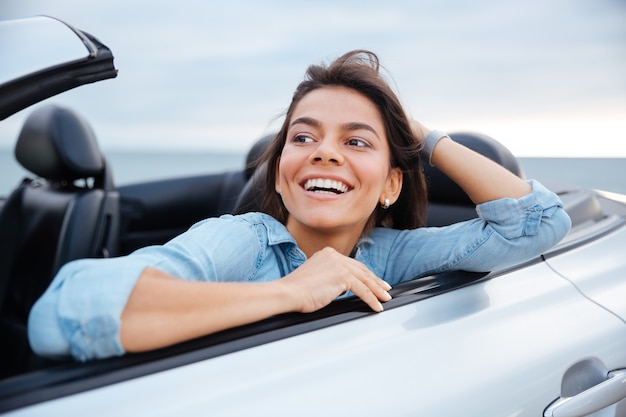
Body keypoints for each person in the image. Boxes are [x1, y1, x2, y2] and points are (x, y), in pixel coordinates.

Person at [28, 50, 571, 362]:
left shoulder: (390, 256)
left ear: (390, 186)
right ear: (283, 178)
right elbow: (61, 313)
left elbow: (537, 223)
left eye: (356, 142)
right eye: (304, 138)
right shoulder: (244, 239)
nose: (326, 153)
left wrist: (420, 133)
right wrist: (289, 291)